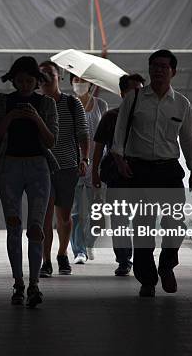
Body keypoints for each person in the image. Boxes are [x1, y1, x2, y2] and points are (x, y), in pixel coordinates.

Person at [111, 50, 192, 297]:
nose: (158, 70)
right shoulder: (135, 98)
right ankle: (147, 280)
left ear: (173, 71)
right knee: (143, 227)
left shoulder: (182, 103)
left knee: (175, 225)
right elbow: (119, 132)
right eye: (154, 66)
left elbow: (190, 138)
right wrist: (120, 161)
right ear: (149, 70)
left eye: (164, 66)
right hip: (138, 170)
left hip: (169, 170)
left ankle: (167, 266)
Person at [0, 56, 58, 308]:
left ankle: (35, 283)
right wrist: (11, 117)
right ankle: (18, 282)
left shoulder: (47, 104)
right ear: (13, 80)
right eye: (20, 80)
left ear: (37, 81)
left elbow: (51, 141)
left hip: (39, 166)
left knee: (37, 227)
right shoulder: (3, 102)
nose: (25, 85)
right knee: (13, 225)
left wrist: (35, 117)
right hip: (10, 167)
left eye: (30, 80)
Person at [38, 61, 88, 277]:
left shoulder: (71, 103)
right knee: (45, 216)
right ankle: (46, 260)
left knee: (64, 216)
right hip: (41, 167)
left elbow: (83, 132)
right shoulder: (35, 104)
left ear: (59, 77)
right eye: (42, 75)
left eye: (50, 74)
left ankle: (62, 254)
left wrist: (84, 158)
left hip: (68, 166)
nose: (46, 78)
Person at [91, 74, 145, 276]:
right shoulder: (111, 117)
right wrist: (95, 172)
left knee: (143, 218)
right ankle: (124, 259)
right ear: (122, 93)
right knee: (119, 219)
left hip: (143, 175)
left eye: (140, 90)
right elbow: (98, 148)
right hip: (116, 175)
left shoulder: (147, 117)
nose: (137, 94)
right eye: (133, 90)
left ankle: (141, 258)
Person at [70, 74, 108, 264]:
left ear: (91, 84)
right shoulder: (69, 104)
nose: (79, 84)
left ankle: (90, 242)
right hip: (75, 164)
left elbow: (105, 135)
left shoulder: (101, 105)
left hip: (97, 165)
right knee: (76, 211)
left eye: (82, 80)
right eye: (75, 80)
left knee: (97, 211)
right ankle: (79, 251)